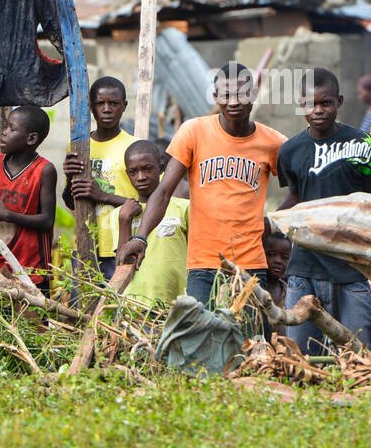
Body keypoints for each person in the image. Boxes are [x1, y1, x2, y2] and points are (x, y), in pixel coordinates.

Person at [116, 62, 286, 307]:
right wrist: (141, 237)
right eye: (226, 94)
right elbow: (163, 192)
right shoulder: (194, 132)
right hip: (203, 263)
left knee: (252, 339)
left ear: (253, 94)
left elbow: (300, 187)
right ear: (216, 96)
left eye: (241, 93)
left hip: (250, 263)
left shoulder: (273, 142)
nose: (234, 101)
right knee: (200, 337)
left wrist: (274, 221)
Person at [276, 67, 371, 354]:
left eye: (325, 103)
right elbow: (296, 196)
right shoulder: (290, 150)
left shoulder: (364, 146)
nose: (318, 110)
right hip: (305, 265)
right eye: (310, 104)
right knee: (301, 353)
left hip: (351, 265)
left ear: (339, 101)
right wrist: (268, 223)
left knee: (360, 353)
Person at [0, 105, 57, 292]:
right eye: (5, 127)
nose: (4, 133)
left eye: (12, 129)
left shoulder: (44, 170)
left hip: (32, 268)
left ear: (31, 138)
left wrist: (8, 215)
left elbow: (47, 220)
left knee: (33, 319)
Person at [62, 76, 136, 279]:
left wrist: (102, 196)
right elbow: (71, 202)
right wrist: (70, 177)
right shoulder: (78, 147)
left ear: (124, 106)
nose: (106, 109)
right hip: (87, 246)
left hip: (122, 247)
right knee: (84, 307)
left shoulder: (134, 148)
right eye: (100, 103)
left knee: (120, 308)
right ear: (91, 107)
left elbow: (146, 204)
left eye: (113, 103)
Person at [106, 139, 189, 307]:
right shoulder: (120, 214)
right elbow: (121, 263)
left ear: (161, 167)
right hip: (134, 303)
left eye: (147, 169)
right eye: (133, 172)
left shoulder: (183, 208)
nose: (141, 177)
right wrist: (124, 221)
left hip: (176, 302)